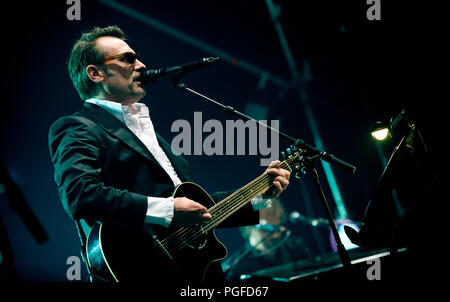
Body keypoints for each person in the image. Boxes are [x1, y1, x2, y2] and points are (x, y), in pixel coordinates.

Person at [48, 25, 290, 285]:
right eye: (128, 59)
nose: (141, 65)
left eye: (137, 57)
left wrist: (259, 197)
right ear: (95, 73)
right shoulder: (78, 126)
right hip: (140, 270)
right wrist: (167, 210)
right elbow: (79, 194)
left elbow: (199, 207)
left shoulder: (151, 135)